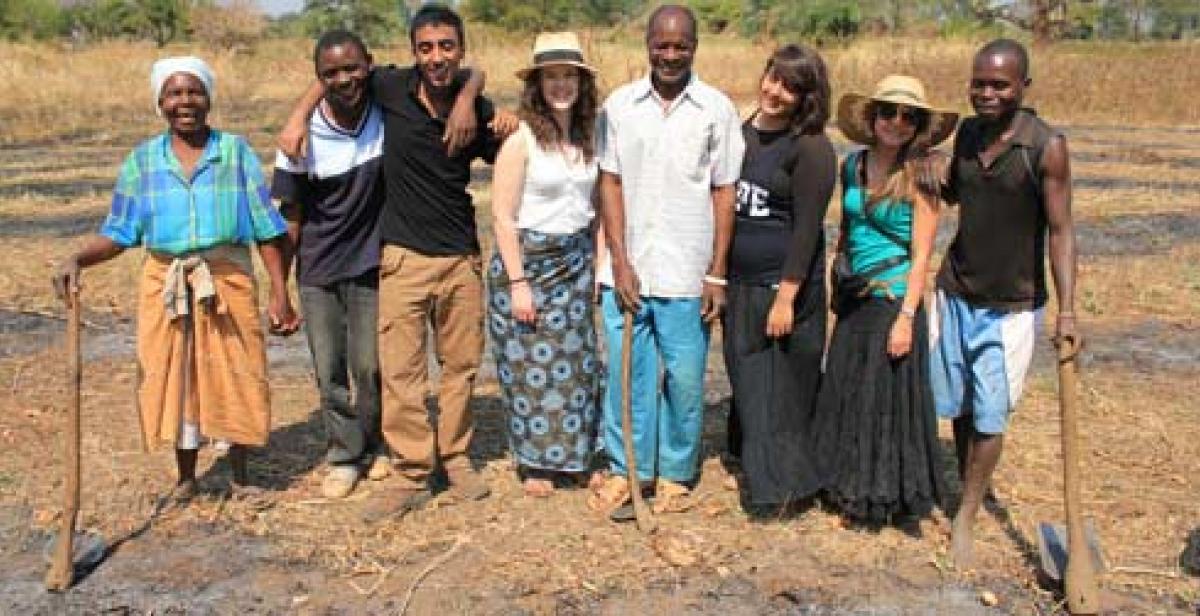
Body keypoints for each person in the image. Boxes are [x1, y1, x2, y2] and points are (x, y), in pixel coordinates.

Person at [277, 4, 518, 521]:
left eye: (447, 47)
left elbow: (508, 148)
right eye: (426, 48)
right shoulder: (390, 90)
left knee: (460, 368)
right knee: (402, 373)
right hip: (402, 258)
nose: (437, 58)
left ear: (460, 48)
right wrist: (298, 115)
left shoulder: (475, 108)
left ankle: (454, 457)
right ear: (413, 52)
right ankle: (411, 471)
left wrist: (478, 100)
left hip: (460, 259)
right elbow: (337, 74)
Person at [52, 56, 298, 502]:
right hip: (165, 280)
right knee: (174, 373)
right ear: (160, 103)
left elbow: (267, 228)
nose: (185, 102)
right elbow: (119, 232)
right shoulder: (143, 161)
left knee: (236, 369)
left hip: (227, 278)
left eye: (194, 92)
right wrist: (77, 259)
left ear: (208, 98)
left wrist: (282, 294)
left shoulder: (234, 152)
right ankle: (186, 477)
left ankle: (241, 476)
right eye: (174, 94)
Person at [588, 4, 745, 516]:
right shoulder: (618, 106)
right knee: (627, 375)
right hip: (628, 273)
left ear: (694, 47)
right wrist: (619, 259)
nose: (671, 54)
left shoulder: (716, 110)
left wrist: (716, 272)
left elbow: (724, 192)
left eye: (681, 45)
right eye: (662, 44)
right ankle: (626, 468)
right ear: (648, 46)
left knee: (683, 376)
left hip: (686, 272)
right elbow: (609, 182)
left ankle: (676, 469)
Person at [930, 39, 1077, 567]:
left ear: (1023, 87)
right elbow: (956, 194)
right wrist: (932, 166)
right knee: (962, 402)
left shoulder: (1045, 147)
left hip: (1012, 305)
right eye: (978, 83)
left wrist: (1068, 309)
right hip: (956, 291)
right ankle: (965, 491)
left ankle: (967, 514)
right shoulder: (968, 134)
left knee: (992, 413)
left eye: (999, 85)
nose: (986, 93)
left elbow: (1061, 232)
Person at [809, 75, 958, 526]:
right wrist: (839, 279)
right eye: (888, 112)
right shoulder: (851, 166)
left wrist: (906, 317)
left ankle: (880, 491)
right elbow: (848, 231)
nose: (896, 122)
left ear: (917, 125)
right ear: (872, 118)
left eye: (907, 116)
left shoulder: (922, 177)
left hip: (895, 299)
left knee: (884, 397)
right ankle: (841, 480)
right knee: (848, 388)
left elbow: (921, 257)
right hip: (856, 295)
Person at [272, 30, 389, 499]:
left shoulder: (386, 109)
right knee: (330, 368)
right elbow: (291, 217)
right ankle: (344, 454)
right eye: (331, 74)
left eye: (352, 68)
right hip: (319, 267)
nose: (344, 80)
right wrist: (279, 288)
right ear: (318, 79)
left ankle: (378, 442)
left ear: (371, 65)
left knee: (372, 365)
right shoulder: (300, 140)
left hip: (373, 262)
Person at [721, 44, 835, 515]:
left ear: (806, 96)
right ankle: (756, 463)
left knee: (780, 386)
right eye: (773, 78)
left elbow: (807, 231)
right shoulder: (741, 132)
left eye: (790, 87)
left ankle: (784, 489)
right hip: (738, 281)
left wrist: (786, 297)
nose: (775, 91)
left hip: (780, 288)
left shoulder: (810, 148)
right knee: (745, 375)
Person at [487, 32, 602, 498]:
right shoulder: (522, 140)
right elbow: (501, 216)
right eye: (551, 77)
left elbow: (596, 208)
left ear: (581, 83)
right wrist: (518, 282)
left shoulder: (589, 136)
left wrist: (599, 263)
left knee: (576, 365)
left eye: (568, 76)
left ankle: (575, 458)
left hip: (575, 262)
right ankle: (537, 462)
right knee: (529, 365)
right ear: (537, 85)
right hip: (529, 265)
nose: (560, 85)